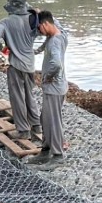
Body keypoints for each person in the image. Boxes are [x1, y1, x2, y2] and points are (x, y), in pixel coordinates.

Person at [0, 0, 40, 140]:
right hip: (30, 64)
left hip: (16, 64)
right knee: (29, 94)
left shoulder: (6, 22)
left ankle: (23, 130)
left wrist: (2, 47)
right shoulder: (32, 20)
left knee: (17, 97)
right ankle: (36, 124)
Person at [32, 11, 71, 165]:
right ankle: (46, 149)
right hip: (58, 87)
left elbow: (56, 64)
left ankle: (57, 155)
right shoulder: (61, 33)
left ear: (46, 24)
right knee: (45, 119)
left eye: (39, 28)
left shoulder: (54, 41)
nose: (39, 32)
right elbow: (54, 22)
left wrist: (47, 77)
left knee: (53, 121)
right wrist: (38, 12)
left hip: (54, 87)